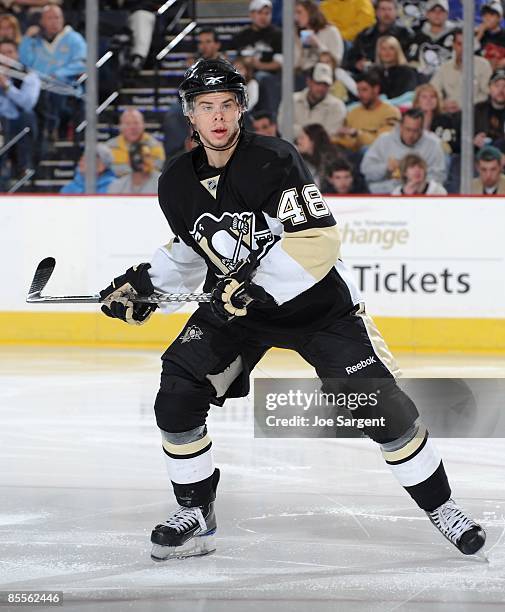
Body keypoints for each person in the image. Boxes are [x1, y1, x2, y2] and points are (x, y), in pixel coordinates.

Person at [99, 57, 485, 562]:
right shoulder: (175, 180)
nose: (217, 117)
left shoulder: (274, 159)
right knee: (176, 395)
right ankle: (197, 513)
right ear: (190, 116)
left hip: (315, 306)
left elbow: (317, 240)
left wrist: (258, 289)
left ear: (241, 110)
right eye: (205, 107)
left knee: (381, 408)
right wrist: (143, 286)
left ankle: (444, 508)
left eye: (227, 106)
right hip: (238, 308)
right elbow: (192, 250)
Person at [18, 4, 86, 136]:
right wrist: (26, 38)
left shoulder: (74, 38)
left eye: (57, 18)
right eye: (50, 18)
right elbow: (24, 62)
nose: (55, 22)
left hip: (65, 87)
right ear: (41, 21)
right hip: (37, 87)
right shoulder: (34, 41)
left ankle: (49, 131)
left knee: (52, 95)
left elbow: (82, 62)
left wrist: (58, 75)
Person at [361, 108, 446, 193]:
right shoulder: (383, 141)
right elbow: (366, 171)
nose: (411, 135)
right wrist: (386, 168)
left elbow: (439, 176)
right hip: (386, 192)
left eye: (416, 131)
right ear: (400, 126)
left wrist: (417, 182)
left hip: (420, 194)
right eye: (408, 129)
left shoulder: (433, 144)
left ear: (422, 129)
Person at [231, 0, 282, 115]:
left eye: (267, 13)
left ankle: (269, 115)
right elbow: (237, 61)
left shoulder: (277, 35)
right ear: (252, 14)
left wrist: (257, 65)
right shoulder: (241, 36)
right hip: (245, 74)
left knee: (260, 77)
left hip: (270, 76)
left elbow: (280, 64)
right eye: (260, 13)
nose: (264, 17)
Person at [0, 38, 40, 182]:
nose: (5, 57)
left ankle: (22, 167)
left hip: (18, 122)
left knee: (27, 116)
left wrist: (7, 87)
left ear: (17, 55)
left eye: (9, 52)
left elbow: (27, 103)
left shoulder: (28, 76)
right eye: (2, 53)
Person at [278, 62, 347, 139]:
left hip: (320, 150)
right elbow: (283, 127)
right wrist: (313, 132)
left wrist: (298, 130)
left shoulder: (337, 106)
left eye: (325, 84)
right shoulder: (291, 100)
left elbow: (327, 135)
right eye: (318, 83)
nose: (321, 88)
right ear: (309, 81)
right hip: (290, 146)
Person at [336, 69, 400, 152]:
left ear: (376, 89)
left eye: (364, 90)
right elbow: (347, 141)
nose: (360, 95)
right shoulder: (353, 112)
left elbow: (382, 142)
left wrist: (357, 134)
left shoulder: (391, 113)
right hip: (350, 153)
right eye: (358, 90)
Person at [430, 28, 492, 113]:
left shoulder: (483, 65)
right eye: (460, 44)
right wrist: (442, 104)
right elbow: (433, 89)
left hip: (476, 112)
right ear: (454, 45)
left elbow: (488, 93)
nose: (464, 48)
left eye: (467, 44)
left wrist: (465, 106)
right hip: (450, 112)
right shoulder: (445, 67)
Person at [346, 0, 413, 73]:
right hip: (366, 74)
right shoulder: (366, 34)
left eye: (390, 9)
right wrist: (356, 64)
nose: (387, 13)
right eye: (383, 9)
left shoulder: (405, 34)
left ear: (396, 12)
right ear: (376, 12)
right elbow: (351, 57)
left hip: (394, 74)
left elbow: (407, 59)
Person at [106, 108, 165, 177]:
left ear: (143, 125)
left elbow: (155, 170)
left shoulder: (155, 146)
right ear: (120, 126)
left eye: (136, 123)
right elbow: (107, 171)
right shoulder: (109, 147)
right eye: (128, 124)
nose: (132, 127)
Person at [407, 0, 457, 78]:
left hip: (450, 77)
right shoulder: (417, 35)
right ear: (427, 14)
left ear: (447, 14)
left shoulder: (456, 34)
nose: (437, 14)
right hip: (423, 79)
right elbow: (411, 61)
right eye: (433, 10)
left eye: (441, 11)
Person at [294, 0, 344, 73]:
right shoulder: (299, 33)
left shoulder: (331, 31)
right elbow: (297, 63)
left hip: (324, 73)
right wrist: (297, 42)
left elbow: (335, 62)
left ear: (310, 12)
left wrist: (317, 44)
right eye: (294, 13)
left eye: (299, 12)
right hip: (305, 72)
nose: (296, 17)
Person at [295, 122, 342, 187]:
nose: (298, 141)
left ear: (313, 140)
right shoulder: (298, 159)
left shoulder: (332, 160)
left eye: (302, 138)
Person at [375, 35, 418, 99]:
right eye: (383, 49)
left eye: (391, 48)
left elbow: (409, 96)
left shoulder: (407, 72)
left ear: (397, 51)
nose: (387, 52)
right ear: (379, 52)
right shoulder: (374, 72)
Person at [474, 69, 505, 149]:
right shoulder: (477, 110)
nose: (501, 90)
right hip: (480, 155)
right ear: (489, 88)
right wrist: (473, 140)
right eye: (497, 85)